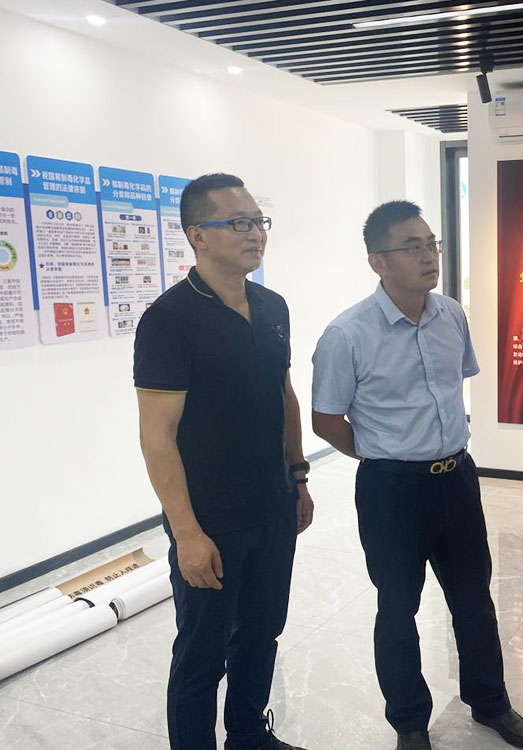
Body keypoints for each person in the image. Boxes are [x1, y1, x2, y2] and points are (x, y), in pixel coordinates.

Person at [311, 201, 523, 750]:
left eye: (431, 243)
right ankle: (409, 722)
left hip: (456, 479)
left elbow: (454, 384)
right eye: (411, 247)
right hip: (391, 490)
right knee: (397, 607)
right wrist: (382, 455)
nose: (428, 256)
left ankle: (490, 703)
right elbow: (326, 419)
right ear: (377, 261)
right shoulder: (346, 334)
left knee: (473, 599)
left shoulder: (451, 316)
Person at [134, 173, 312, 750]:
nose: (255, 233)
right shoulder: (169, 319)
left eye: (259, 221)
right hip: (210, 518)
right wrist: (187, 533)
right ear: (198, 235)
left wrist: (298, 476)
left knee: (262, 634)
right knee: (201, 653)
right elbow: (157, 436)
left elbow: (283, 396)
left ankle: (248, 737)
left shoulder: (272, 305)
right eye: (238, 222)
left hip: (273, 504)